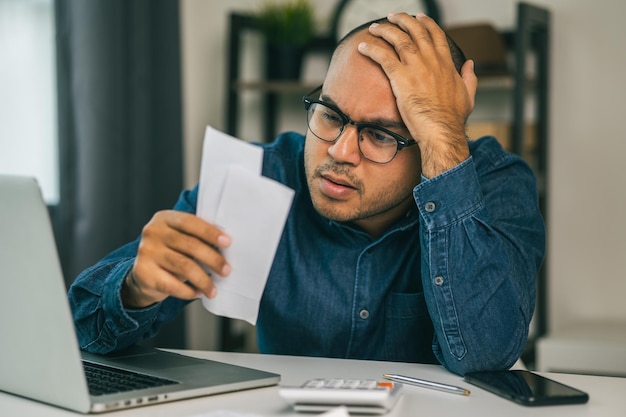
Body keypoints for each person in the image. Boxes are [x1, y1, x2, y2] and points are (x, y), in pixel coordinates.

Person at [68, 13, 545, 376]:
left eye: (380, 135)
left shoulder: (493, 185)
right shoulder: (261, 178)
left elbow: (486, 354)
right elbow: (78, 324)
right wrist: (133, 288)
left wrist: (443, 138)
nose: (338, 151)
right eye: (330, 113)